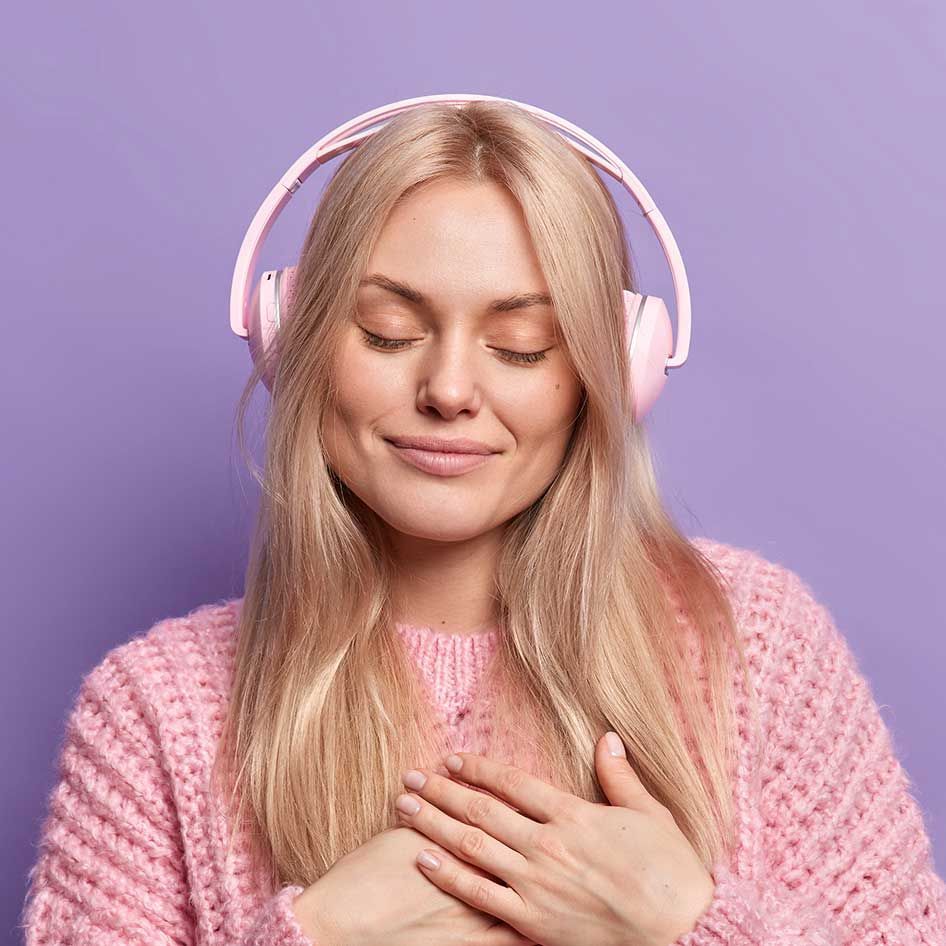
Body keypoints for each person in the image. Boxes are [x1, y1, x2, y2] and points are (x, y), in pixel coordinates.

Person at [20, 100, 946, 946]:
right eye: (387, 331)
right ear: (291, 340)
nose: (451, 390)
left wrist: (686, 925)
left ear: (609, 373)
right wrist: (318, 934)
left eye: (520, 346)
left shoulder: (754, 645)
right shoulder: (152, 712)